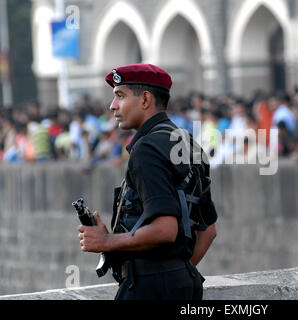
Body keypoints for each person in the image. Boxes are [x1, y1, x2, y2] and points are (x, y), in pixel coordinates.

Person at [77, 64, 218, 300]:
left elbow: (165, 230)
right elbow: (208, 230)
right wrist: (177, 273)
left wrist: (106, 241)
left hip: (147, 289)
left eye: (120, 95)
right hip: (186, 283)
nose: (112, 106)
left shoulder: (147, 150)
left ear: (144, 100)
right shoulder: (187, 143)